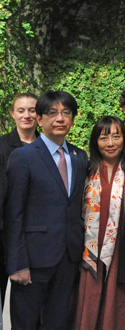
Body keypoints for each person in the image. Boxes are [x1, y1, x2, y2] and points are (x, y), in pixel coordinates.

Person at [4, 90, 88, 329]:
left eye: (66, 113)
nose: (59, 118)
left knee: (58, 321)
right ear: (40, 119)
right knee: (26, 323)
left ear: (73, 119)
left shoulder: (79, 156)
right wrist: (18, 263)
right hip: (33, 259)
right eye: (52, 113)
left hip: (68, 258)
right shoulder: (23, 157)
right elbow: (14, 214)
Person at [73, 116, 125, 330]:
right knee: (90, 297)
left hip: (122, 246)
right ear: (95, 141)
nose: (110, 143)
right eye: (104, 138)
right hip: (89, 248)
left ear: (124, 139)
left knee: (121, 301)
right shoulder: (84, 170)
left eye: (116, 136)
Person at [0, 92, 39, 309]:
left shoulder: (48, 146)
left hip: (34, 237)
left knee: (28, 307)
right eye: (21, 110)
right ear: (13, 113)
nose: (26, 115)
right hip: (3, 233)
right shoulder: (1, 146)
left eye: (32, 110)